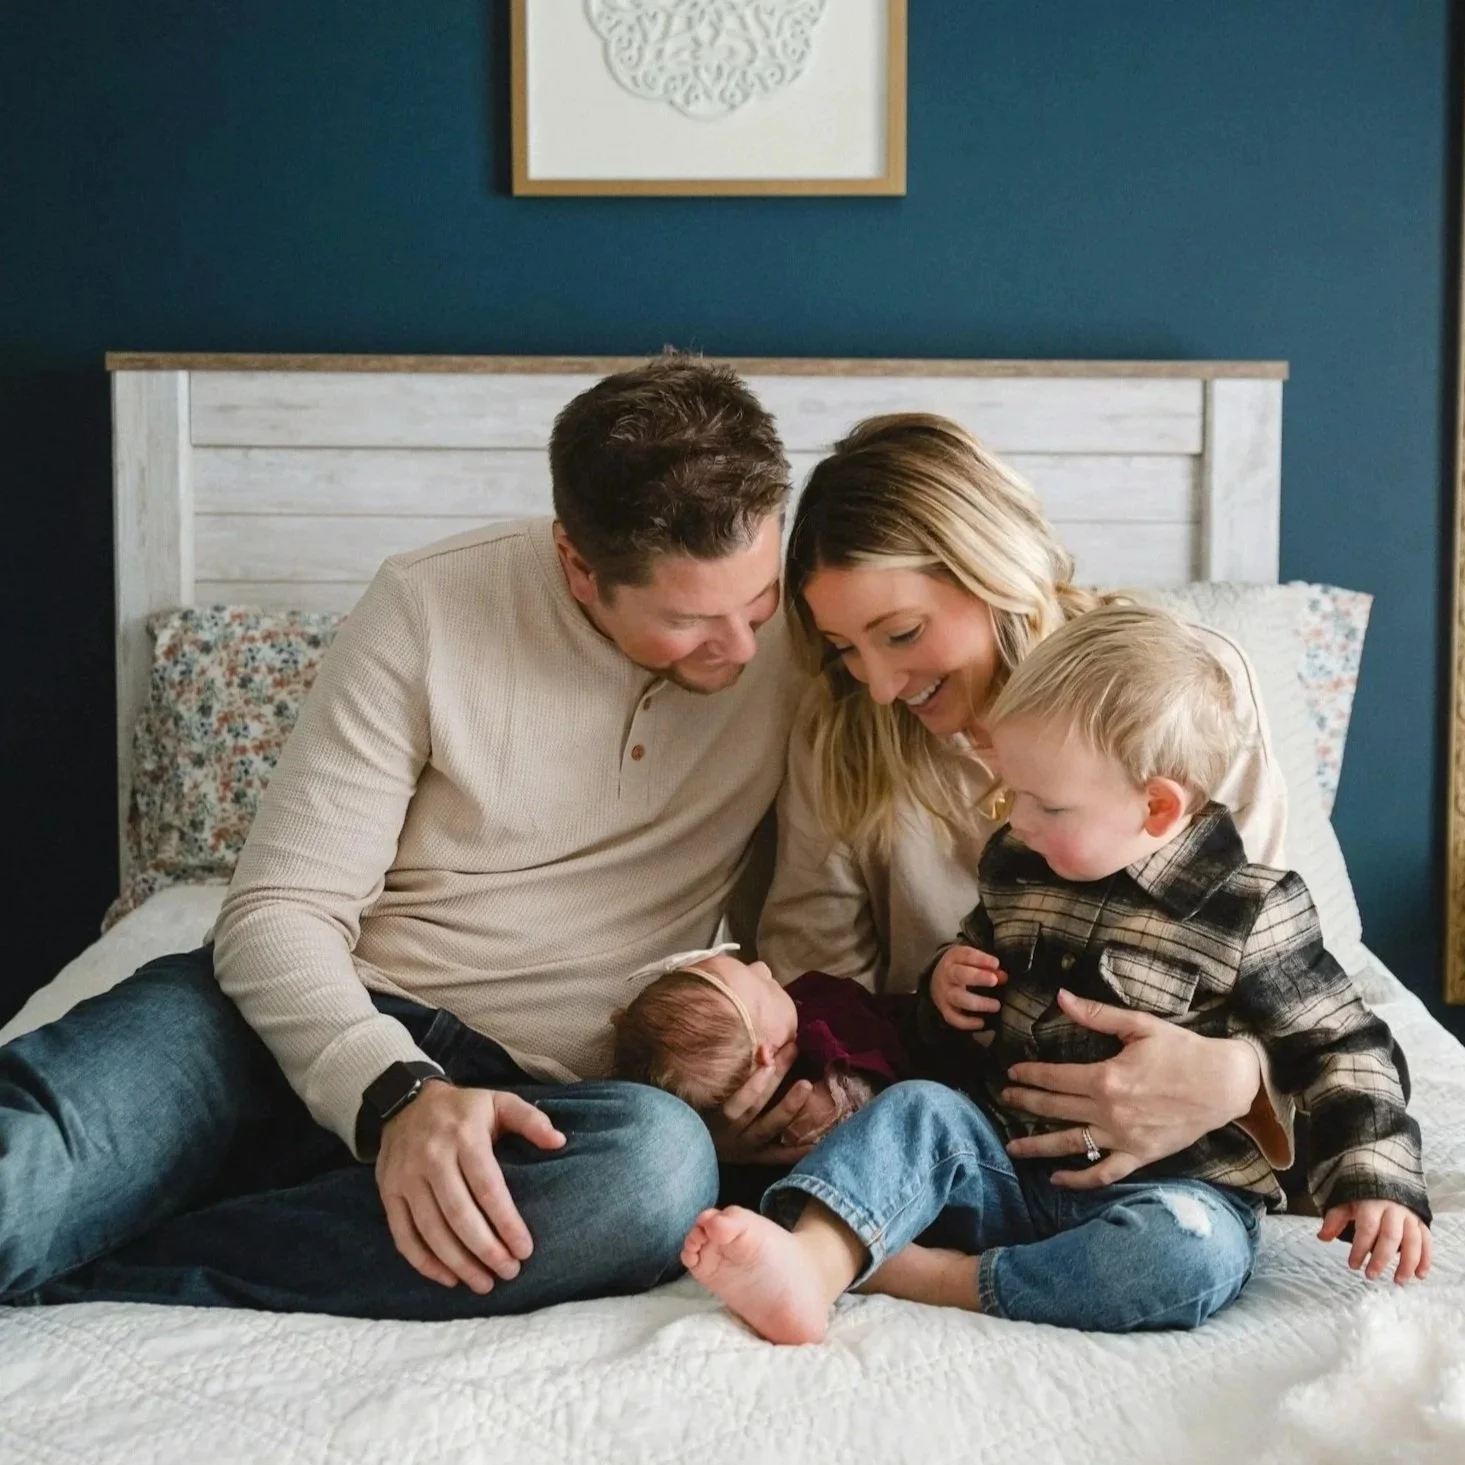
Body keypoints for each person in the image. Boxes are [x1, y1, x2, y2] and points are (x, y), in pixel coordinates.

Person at [0, 356, 810, 1319]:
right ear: (578, 565)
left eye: (755, 601)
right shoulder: (428, 603)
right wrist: (395, 1095)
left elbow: (828, 902)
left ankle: (116, 1263)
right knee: (23, 1172)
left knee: (656, 1169)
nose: (743, 647)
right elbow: (278, 910)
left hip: (532, 1100)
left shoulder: (812, 638)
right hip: (282, 1023)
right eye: (689, 619)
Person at [683, 603, 1431, 1343]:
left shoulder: (1251, 909)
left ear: (1156, 806)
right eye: (1012, 794)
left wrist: (1375, 1181)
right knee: (916, 1110)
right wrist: (945, 991)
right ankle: (811, 1263)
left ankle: (934, 1278)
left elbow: (1342, 1046)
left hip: (1162, 1187)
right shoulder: (1017, 869)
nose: (1018, 821)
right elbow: (952, 1032)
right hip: (1001, 1162)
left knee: (1192, 1252)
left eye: (1046, 804)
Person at [750, 411, 1294, 1183]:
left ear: (993, 570)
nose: (878, 685)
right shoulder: (842, 736)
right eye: (844, 650)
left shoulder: (1181, 687)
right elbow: (823, 985)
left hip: (1164, 1137)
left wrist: (1233, 1076)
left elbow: (1269, 961)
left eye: (900, 633)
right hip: (947, 1125)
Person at [612, 943, 916, 1147]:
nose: (763, 968)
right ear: (767, 1055)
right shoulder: (819, 1091)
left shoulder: (799, 1010)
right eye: (763, 988)